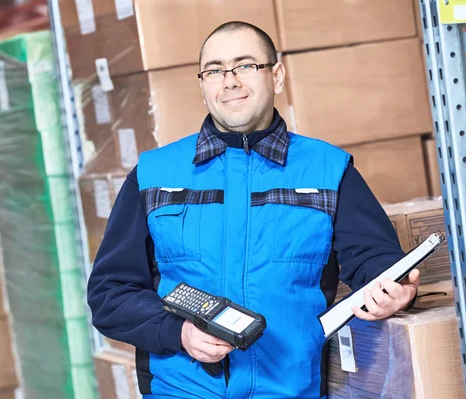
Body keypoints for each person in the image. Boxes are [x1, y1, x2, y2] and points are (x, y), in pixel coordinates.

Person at [87, 21, 420, 399]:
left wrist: (394, 291)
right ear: (203, 85)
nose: (229, 81)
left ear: (276, 76)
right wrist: (177, 332)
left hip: (291, 391)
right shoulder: (154, 175)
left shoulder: (329, 170)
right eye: (214, 70)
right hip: (179, 391)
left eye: (245, 66)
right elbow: (109, 293)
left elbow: (376, 260)